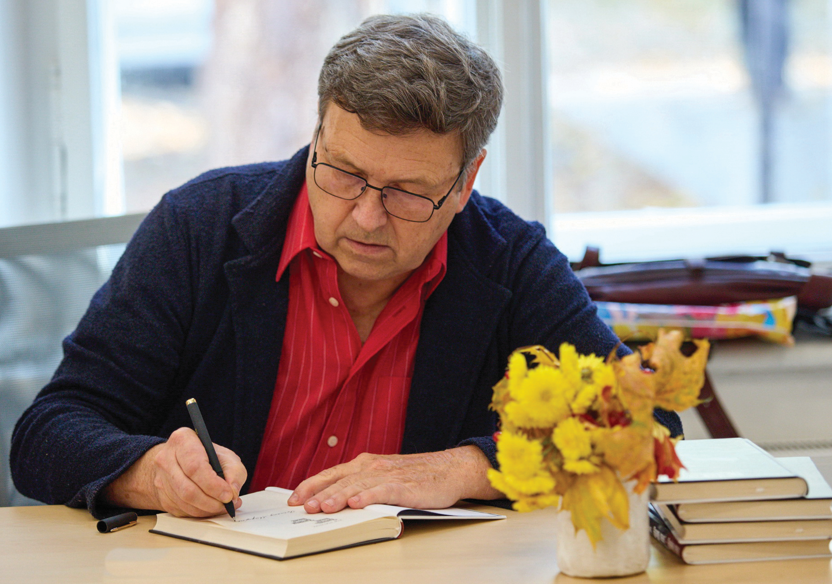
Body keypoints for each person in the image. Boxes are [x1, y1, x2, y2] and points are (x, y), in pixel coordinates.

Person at [11, 14, 680, 519]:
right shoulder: (200, 227)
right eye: (342, 173)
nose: (365, 217)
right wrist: (148, 473)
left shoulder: (509, 262)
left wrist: (466, 469)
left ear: (466, 181)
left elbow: (646, 427)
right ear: (316, 136)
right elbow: (47, 434)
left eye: (408, 193)